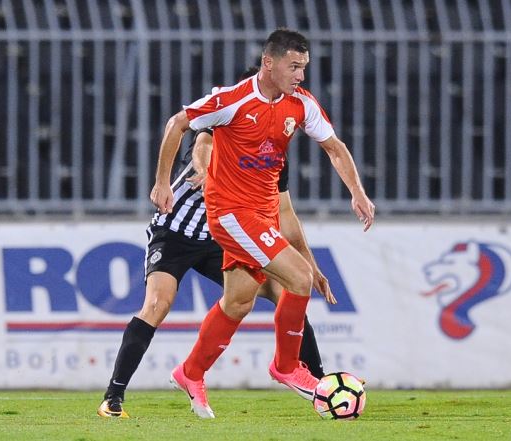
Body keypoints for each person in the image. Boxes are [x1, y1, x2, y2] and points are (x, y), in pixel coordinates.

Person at [150, 28, 375, 419]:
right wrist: (162, 182)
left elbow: (334, 147)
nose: (300, 75)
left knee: (238, 302)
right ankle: (286, 367)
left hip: (263, 213)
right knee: (300, 278)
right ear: (269, 63)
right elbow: (178, 123)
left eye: (304, 67)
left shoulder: (301, 104)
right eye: (294, 66)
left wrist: (357, 192)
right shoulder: (232, 100)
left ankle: (190, 372)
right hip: (231, 213)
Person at [97, 70, 336, 419]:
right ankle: (113, 396)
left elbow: (286, 216)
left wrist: (311, 265)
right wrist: (210, 175)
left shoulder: (272, 157)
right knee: (158, 304)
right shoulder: (218, 128)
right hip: (175, 232)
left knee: (287, 290)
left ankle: (319, 384)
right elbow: (201, 148)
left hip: (220, 238)